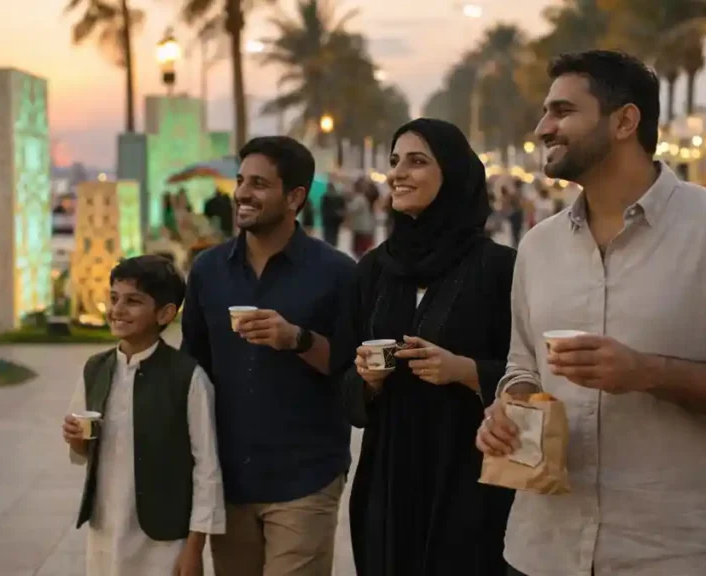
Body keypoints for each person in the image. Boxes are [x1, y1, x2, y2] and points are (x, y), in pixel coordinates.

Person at [476, 50, 706, 576]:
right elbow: (523, 366)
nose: (544, 127)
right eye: (545, 112)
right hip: (544, 551)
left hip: (680, 556)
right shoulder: (538, 248)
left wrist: (646, 372)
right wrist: (508, 409)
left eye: (563, 111)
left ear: (625, 121)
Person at [336, 119, 515, 575]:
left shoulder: (500, 269)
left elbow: (531, 373)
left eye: (417, 161)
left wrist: (466, 371)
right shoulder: (374, 270)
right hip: (389, 477)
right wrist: (367, 382)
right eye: (395, 161)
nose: (399, 172)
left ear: (452, 174)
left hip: (471, 474)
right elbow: (343, 382)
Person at [181, 136, 356, 576]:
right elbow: (192, 369)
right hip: (230, 478)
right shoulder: (208, 271)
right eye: (241, 181)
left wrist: (296, 339)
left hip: (306, 477)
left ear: (295, 197)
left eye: (259, 183)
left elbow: (354, 370)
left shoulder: (336, 273)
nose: (242, 193)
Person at [63, 255, 225, 576]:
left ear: (165, 313)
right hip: (106, 529)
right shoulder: (96, 369)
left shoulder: (187, 377)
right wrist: (76, 439)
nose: (117, 309)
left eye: (133, 301)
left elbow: (207, 469)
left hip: (162, 541)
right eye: (114, 298)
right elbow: (83, 451)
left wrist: (194, 548)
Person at [320, 182, 345, 247]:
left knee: (327, 234)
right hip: (336, 219)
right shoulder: (339, 196)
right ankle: (333, 246)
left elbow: (323, 208)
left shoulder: (325, 196)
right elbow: (342, 208)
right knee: (335, 233)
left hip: (327, 218)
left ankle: (328, 246)